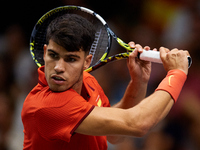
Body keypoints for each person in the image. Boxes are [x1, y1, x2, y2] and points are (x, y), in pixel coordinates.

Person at [21, 14, 190, 150]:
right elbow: (138, 124)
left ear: (87, 62)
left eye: (71, 59)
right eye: (53, 55)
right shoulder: (47, 106)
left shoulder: (88, 81)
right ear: (44, 52)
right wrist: (177, 73)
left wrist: (138, 82)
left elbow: (115, 135)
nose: (58, 67)